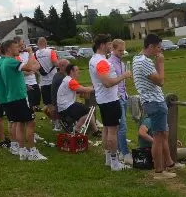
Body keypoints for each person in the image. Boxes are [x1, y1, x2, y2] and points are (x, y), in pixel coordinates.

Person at [132, 33, 174, 180]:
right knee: (158, 137)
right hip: (155, 102)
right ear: (150, 46)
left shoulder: (137, 59)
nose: (159, 50)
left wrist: (156, 64)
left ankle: (166, 164)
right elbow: (160, 81)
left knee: (161, 135)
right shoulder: (144, 62)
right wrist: (161, 63)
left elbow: (153, 76)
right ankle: (159, 171)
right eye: (158, 47)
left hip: (150, 101)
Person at [88, 34, 133, 171]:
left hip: (104, 99)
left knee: (107, 129)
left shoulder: (94, 59)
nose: (110, 46)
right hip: (110, 100)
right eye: (108, 44)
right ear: (102, 45)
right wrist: (123, 76)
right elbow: (107, 83)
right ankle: (114, 161)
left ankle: (109, 159)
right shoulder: (101, 61)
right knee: (113, 131)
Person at [0, 39, 46, 161]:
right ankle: (33, 152)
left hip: (12, 96)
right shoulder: (10, 61)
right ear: (9, 49)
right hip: (19, 97)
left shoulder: (4, 62)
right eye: (16, 47)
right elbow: (29, 67)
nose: (19, 49)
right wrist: (30, 53)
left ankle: (22, 151)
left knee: (19, 123)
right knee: (30, 123)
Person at [109, 39, 132, 165]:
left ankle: (119, 151)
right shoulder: (110, 63)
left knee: (120, 127)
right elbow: (111, 82)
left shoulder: (121, 63)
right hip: (116, 98)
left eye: (123, 50)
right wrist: (124, 76)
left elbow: (122, 81)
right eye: (119, 50)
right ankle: (124, 153)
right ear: (113, 49)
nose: (122, 53)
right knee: (122, 127)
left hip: (123, 96)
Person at [56, 64, 96, 133]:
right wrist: (97, 87)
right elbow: (84, 89)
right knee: (88, 111)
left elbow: (80, 90)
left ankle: (95, 131)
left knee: (88, 111)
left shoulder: (67, 79)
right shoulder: (70, 81)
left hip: (64, 106)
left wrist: (88, 89)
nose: (79, 72)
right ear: (71, 71)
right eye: (77, 70)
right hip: (66, 106)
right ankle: (76, 130)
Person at [35, 37, 59, 123]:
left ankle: (55, 123)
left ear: (38, 44)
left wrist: (40, 73)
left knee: (49, 105)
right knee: (56, 102)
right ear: (46, 43)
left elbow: (35, 68)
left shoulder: (35, 54)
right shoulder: (50, 51)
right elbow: (56, 63)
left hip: (43, 82)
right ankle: (60, 121)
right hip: (54, 80)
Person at [18, 38, 41, 112]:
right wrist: (30, 70)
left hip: (34, 81)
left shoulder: (28, 53)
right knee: (29, 106)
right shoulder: (17, 56)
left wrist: (30, 70)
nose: (22, 46)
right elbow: (20, 72)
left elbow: (38, 65)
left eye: (23, 44)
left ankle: (33, 115)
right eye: (20, 45)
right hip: (25, 83)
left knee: (35, 104)